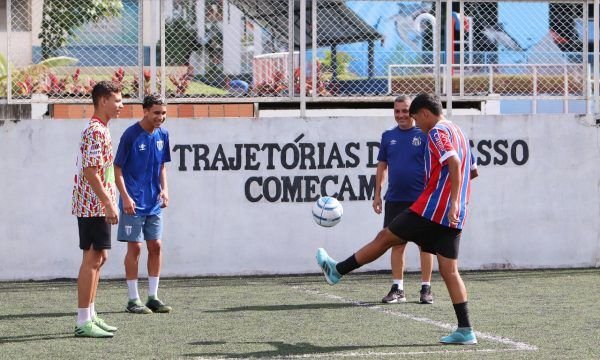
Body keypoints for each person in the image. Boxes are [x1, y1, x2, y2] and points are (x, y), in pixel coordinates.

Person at [316, 93, 479, 345]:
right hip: (452, 216)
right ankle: (466, 330)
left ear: (425, 113)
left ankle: (337, 271)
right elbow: (473, 171)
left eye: (416, 118)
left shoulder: (436, 132)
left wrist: (451, 199)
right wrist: (457, 201)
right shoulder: (459, 132)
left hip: (432, 209)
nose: (418, 126)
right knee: (449, 271)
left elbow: (455, 163)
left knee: (385, 238)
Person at [72, 80, 123, 338]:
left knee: (99, 258)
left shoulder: (101, 129)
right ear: (103, 100)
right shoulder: (95, 130)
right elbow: (90, 171)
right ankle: (83, 320)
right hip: (92, 205)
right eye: (117, 100)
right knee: (93, 259)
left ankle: (90, 314)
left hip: (96, 204)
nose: (121, 106)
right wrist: (107, 202)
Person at [373, 95, 434, 305]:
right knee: (396, 245)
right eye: (397, 111)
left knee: (426, 245)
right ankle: (398, 288)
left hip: (420, 200)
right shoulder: (388, 136)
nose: (401, 115)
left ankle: (426, 288)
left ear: (413, 111)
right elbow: (382, 166)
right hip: (395, 200)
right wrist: (377, 195)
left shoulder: (425, 135)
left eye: (405, 111)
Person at [114, 93, 172, 314]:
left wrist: (165, 189)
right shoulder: (130, 135)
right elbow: (117, 167)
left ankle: (153, 297)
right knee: (135, 247)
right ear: (145, 111)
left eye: (164, 113)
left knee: (156, 246)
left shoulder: (163, 134)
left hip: (154, 202)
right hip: (133, 203)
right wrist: (126, 197)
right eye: (156, 112)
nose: (160, 117)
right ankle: (132, 299)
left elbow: (162, 166)